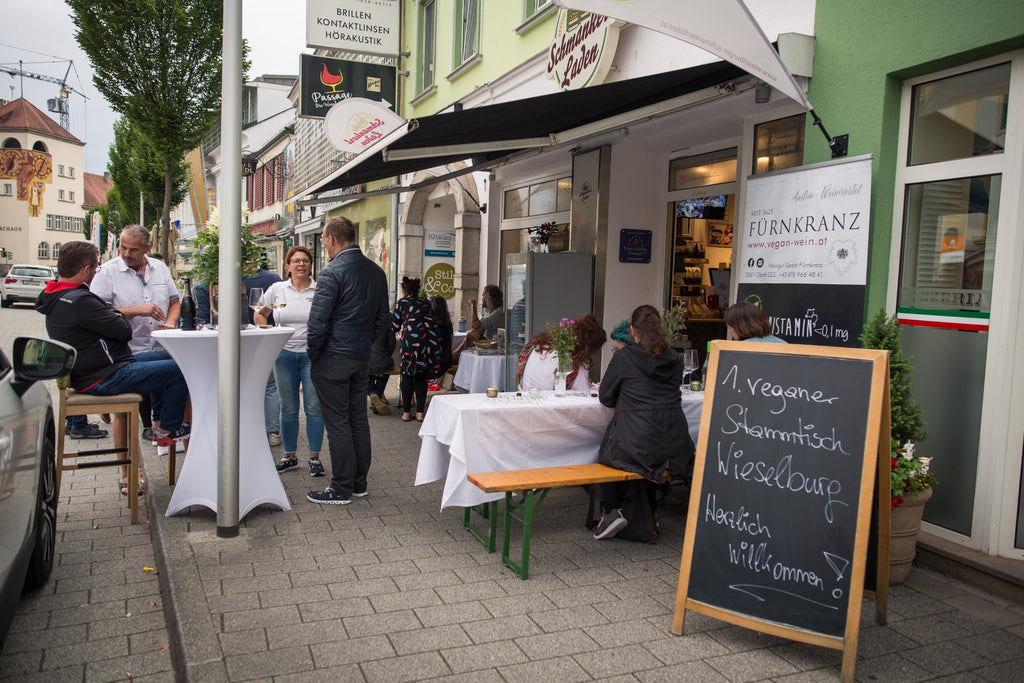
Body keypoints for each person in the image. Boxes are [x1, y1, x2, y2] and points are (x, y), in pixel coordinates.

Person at [35, 241, 190, 495]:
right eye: (95, 267)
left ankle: (163, 425)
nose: (96, 272)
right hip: (102, 378)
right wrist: (116, 317)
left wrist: (113, 315)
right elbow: (122, 330)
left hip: (98, 371)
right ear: (86, 270)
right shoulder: (80, 300)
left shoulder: (57, 296)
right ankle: (168, 428)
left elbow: (112, 322)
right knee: (180, 369)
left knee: (174, 362)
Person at [592, 305, 695, 541]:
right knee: (632, 450)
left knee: (607, 451)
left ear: (632, 331)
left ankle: (611, 510)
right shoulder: (676, 359)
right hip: (674, 443)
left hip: (637, 442)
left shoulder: (625, 356)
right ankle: (641, 512)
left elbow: (606, 397)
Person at [305, 217, 390, 505]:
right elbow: (383, 320)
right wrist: (363, 343)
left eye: (324, 240)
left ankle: (341, 488)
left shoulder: (331, 272)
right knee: (357, 419)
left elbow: (317, 322)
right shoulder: (377, 272)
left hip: (333, 357)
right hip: (359, 357)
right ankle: (358, 482)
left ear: (330, 238)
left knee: (339, 422)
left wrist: (314, 354)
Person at [89, 225, 180, 447]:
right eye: (123, 248)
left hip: (159, 346)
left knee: (167, 389)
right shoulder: (107, 272)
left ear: (147, 248)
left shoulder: (160, 268)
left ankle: (163, 437)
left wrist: (169, 323)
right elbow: (98, 316)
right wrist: (139, 309)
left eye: (133, 249)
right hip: (125, 352)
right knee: (124, 412)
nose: (126, 254)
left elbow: (174, 301)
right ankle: (126, 472)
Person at [193, 257, 284, 445]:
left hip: (224, 342)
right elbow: (277, 313)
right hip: (262, 339)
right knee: (269, 384)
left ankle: (234, 429)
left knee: (231, 385)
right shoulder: (272, 279)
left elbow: (202, 319)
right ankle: (271, 431)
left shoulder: (205, 284)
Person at [256, 246, 325, 477]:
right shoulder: (276, 289)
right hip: (283, 354)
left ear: (311, 265)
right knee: (288, 408)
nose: (301, 264)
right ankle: (290, 456)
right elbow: (260, 312)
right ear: (287, 266)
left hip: (312, 356)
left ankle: (314, 457)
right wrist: (266, 332)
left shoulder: (319, 288)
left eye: (305, 260)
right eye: (296, 261)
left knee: (314, 407)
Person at [392, 277, 442, 422]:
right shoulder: (426, 303)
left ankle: (406, 413)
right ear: (417, 290)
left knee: (407, 374)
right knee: (421, 375)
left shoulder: (401, 303)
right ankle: (420, 413)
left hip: (409, 340)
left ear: (404, 290)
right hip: (425, 341)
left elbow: (395, 326)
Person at [517, 314, 606, 392]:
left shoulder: (537, 344)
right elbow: (582, 391)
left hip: (524, 397)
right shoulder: (570, 360)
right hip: (547, 406)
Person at [452, 284, 503, 360]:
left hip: (494, 345)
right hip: (488, 342)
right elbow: (477, 329)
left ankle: (460, 357)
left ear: (490, 298)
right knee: (473, 333)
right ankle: (458, 355)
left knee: (472, 334)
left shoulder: (499, 313)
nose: (482, 299)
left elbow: (475, 325)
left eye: (483, 296)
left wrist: (473, 306)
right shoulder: (491, 312)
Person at [366, 325, 395, 416]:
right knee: (387, 368)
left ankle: (371, 392)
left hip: (363, 361)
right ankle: (377, 393)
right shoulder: (386, 323)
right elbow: (391, 344)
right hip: (382, 362)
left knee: (361, 377)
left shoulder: (360, 319)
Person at [429, 295, 454, 390]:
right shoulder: (448, 325)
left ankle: (411, 398)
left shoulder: (432, 325)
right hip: (445, 360)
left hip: (433, 362)